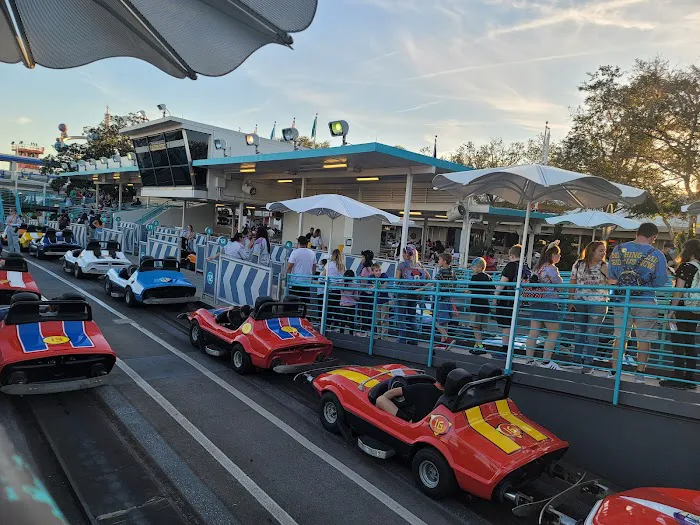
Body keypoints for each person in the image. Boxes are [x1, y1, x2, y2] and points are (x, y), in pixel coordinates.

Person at [608, 222, 668, 382]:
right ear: (653, 237)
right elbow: (661, 281)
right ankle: (639, 374)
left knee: (620, 336)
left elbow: (611, 276)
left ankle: (615, 371)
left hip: (622, 300)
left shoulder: (618, 249)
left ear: (637, 232)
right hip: (646, 300)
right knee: (644, 338)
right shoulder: (656, 254)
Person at [664, 239, 700, 389]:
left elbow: (679, 290)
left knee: (678, 341)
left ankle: (678, 377)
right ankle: (689, 377)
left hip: (682, 308)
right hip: (696, 309)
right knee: (689, 341)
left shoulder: (686, 266)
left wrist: (671, 309)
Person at [569, 241, 609, 372]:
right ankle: (576, 360)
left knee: (592, 333)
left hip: (598, 303)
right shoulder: (579, 264)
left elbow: (613, 282)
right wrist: (571, 300)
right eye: (600, 250)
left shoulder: (605, 265)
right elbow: (573, 282)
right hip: (580, 301)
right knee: (579, 331)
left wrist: (607, 273)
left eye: (604, 250)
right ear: (592, 251)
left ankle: (588, 364)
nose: (604, 253)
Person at [524, 241, 563, 370]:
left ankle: (529, 359)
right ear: (552, 255)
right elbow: (559, 285)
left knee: (534, 331)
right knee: (553, 333)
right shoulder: (551, 268)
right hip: (548, 302)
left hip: (535, 301)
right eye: (558, 254)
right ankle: (546, 362)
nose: (559, 257)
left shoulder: (537, 268)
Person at [376, 362, 457, 422]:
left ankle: (376, 415)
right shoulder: (455, 395)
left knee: (380, 399)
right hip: (437, 422)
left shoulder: (422, 388)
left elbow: (391, 393)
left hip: (415, 425)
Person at [493, 245, 529, 356]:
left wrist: (495, 296)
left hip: (507, 300)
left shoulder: (511, 266)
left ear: (512, 255)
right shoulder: (525, 267)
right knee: (511, 325)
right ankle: (509, 349)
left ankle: (505, 350)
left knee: (506, 326)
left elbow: (503, 282)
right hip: (518, 299)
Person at [395, 246, 427, 345]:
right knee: (412, 317)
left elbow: (396, 281)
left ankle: (402, 339)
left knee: (401, 317)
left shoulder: (401, 265)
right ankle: (414, 339)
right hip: (414, 293)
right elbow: (428, 278)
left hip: (403, 293)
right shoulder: (418, 265)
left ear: (406, 254)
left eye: (403, 253)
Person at [468, 257, 493, 354]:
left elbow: (470, 290)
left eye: (474, 267)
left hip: (476, 305)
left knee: (475, 326)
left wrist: (465, 291)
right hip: (485, 305)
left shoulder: (474, 277)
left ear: (479, 267)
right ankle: (476, 345)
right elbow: (492, 289)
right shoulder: (488, 277)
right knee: (480, 327)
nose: (472, 269)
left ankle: (480, 346)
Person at [433, 252, 457, 349]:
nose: (438, 261)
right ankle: (443, 342)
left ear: (444, 261)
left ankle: (447, 338)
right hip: (448, 298)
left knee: (436, 319)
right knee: (444, 321)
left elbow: (434, 282)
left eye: (439, 259)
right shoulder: (452, 271)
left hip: (441, 298)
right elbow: (455, 284)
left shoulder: (441, 272)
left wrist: (421, 289)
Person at [287, 236, 317, 302]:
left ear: (299, 243)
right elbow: (314, 267)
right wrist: (312, 277)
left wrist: (287, 279)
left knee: (293, 302)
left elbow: (289, 267)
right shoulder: (312, 253)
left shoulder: (295, 252)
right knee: (304, 302)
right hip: (307, 281)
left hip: (295, 281)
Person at [322, 249, 345, 331]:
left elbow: (322, 275)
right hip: (339, 290)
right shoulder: (342, 265)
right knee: (337, 307)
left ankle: (327, 325)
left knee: (329, 307)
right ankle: (336, 325)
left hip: (330, 288)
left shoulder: (329, 264)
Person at [356, 250, 375, 336]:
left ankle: (363, 331)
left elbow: (362, 282)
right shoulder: (373, 268)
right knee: (370, 311)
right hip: (372, 292)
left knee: (364, 311)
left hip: (364, 292)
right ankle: (369, 330)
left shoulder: (364, 269)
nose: (361, 259)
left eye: (363, 257)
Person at [370, 263, 391, 338]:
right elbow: (368, 288)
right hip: (376, 301)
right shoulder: (371, 277)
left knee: (384, 320)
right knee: (377, 320)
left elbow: (384, 287)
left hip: (384, 301)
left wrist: (376, 286)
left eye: (379, 270)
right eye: (376, 271)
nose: (378, 272)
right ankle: (379, 335)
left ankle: (384, 337)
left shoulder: (384, 275)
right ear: (373, 271)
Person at [339, 269, 358, 333]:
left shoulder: (342, 283)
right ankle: (351, 334)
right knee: (351, 321)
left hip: (343, 304)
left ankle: (341, 333)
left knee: (342, 320)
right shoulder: (354, 284)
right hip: (352, 305)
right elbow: (356, 297)